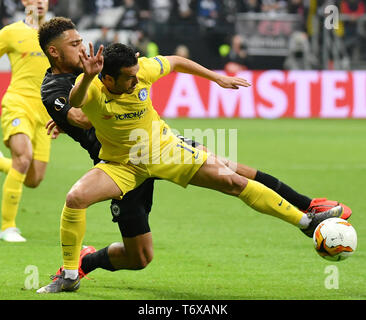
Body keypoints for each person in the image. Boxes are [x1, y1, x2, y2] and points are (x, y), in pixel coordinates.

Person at [36, 18, 351, 294]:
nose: (136, 84)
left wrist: (217, 78)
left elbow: (174, 61)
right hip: (120, 165)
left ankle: (307, 217)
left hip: (163, 150)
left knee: (231, 175)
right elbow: (77, 110)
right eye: (74, 44)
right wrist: (80, 103)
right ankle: (74, 270)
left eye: (81, 41)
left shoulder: (138, 70)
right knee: (135, 254)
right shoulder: (76, 85)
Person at [0, 0, 52, 242]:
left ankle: (2, 163)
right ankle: (7, 226)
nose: (39, 3)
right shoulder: (11, 33)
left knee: (33, 179)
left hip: (45, 112)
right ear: (25, 2)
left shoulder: (58, 34)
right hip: (17, 103)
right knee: (23, 157)